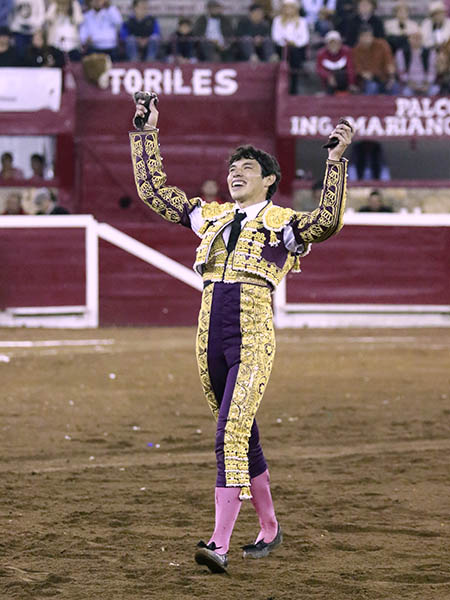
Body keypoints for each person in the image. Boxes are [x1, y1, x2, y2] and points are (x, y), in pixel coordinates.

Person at [130, 94, 354, 573]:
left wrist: (334, 163)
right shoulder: (208, 216)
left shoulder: (284, 224)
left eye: (247, 167)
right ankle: (269, 528)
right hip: (208, 332)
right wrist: (147, 132)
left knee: (229, 433)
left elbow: (328, 221)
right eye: (233, 167)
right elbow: (155, 192)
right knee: (241, 431)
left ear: (269, 180)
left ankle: (219, 543)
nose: (236, 172)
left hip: (252, 334)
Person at [271, 0, 310, 93]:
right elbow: (276, 37)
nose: (288, 10)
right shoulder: (277, 20)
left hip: (297, 48)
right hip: (281, 48)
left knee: (294, 52)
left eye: (291, 7)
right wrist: (285, 42)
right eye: (286, 7)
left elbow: (304, 38)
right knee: (287, 51)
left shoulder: (302, 21)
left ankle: (294, 84)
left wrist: (294, 42)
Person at [352, 24, 399, 94]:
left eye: (368, 36)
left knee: (394, 86)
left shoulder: (382, 44)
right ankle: (368, 105)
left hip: (385, 78)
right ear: (359, 38)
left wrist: (391, 77)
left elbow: (389, 62)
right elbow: (358, 68)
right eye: (364, 36)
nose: (367, 39)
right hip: (369, 80)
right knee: (372, 86)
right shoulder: (356, 50)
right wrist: (364, 74)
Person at [395, 31, 439, 96]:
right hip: (409, 84)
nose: (416, 40)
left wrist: (427, 84)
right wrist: (410, 83)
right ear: (409, 39)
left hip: (426, 83)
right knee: (406, 92)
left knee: (435, 90)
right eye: (414, 38)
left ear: (422, 40)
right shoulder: (401, 53)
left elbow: (432, 71)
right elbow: (401, 71)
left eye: (419, 38)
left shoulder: (431, 53)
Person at [316, 29, 356, 94]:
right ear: (327, 44)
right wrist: (328, 76)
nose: (333, 45)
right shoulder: (321, 54)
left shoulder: (346, 51)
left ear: (340, 43)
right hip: (329, 82)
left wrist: (351, 83)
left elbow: (350, 68)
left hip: (344, 80)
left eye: (336, 43)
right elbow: (319, 69)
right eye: (331, 43)